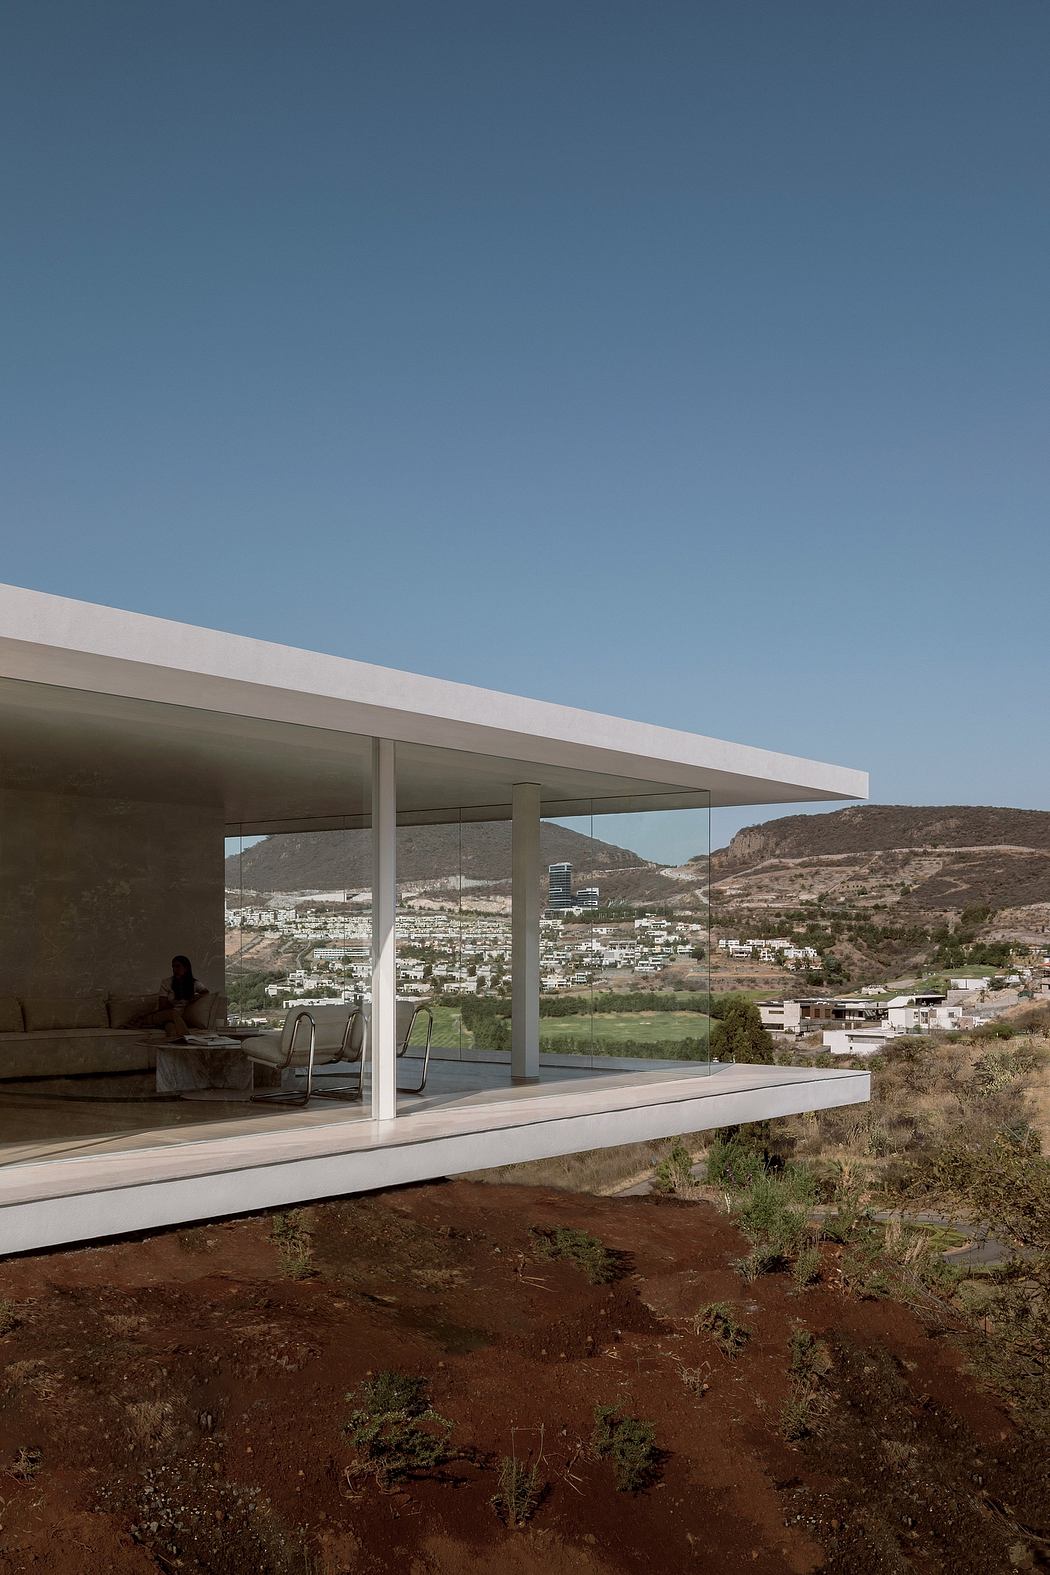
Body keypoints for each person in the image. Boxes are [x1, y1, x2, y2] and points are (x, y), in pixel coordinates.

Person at [152, 955, 210, 1040]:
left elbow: (206, 992)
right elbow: (162, 1005)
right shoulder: (166, 983)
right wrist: (175, 1004)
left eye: (178, 966)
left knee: (171, 1030)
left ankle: (182, 1049)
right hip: (166, 1015)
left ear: (186, 968)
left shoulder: (194, 983)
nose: (175, 969)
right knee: (173, 1014)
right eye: (173, 967)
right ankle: (190, 1039)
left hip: (179, 1019)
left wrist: (195, 998)